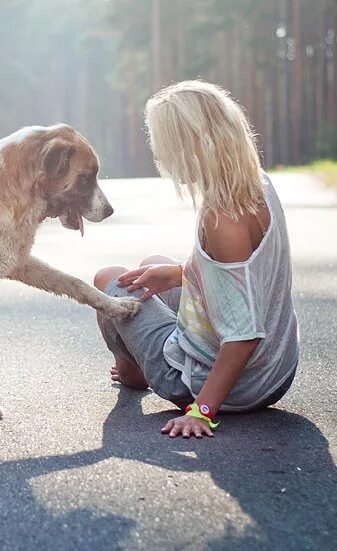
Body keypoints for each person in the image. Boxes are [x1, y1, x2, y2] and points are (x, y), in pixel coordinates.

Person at [94, 80, 299, 439]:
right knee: (152, 263)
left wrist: (201, 412)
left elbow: (244, 335)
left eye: (164, 145)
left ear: (191, 145)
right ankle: (151, 346)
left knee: (108, 279)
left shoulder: (222, 220)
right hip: (275, 374)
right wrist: (176, 274)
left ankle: (132, 371)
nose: (160, 157)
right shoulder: (256, 183)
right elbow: (249, 277)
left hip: (225, 387)